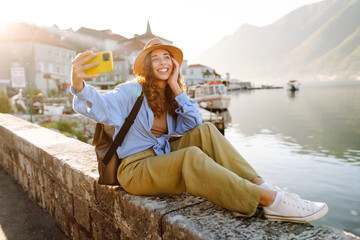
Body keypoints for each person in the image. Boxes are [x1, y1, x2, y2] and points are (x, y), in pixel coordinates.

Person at [70, 38, 328, 223]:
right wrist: (77, 82)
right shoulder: (131, 91)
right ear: (146, 67)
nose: (162, 62)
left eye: (167, 58)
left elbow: (193, 124)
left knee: (206, 130)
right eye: (155, 59)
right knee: (190, 157)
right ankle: (267, 200)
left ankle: (263, 185)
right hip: (135, 169)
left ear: (174, 64)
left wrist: (176, 87)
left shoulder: (172, 95)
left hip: (160, 158)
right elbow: (99, 107)